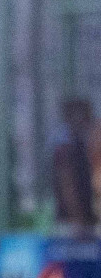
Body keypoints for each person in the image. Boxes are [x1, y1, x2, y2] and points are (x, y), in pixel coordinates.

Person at [53, 95, 97, 236]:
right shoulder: (67, 148)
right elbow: (67, 184)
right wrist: (78, 218)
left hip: (84, 220)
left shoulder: (82, 145)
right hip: (73, 223)